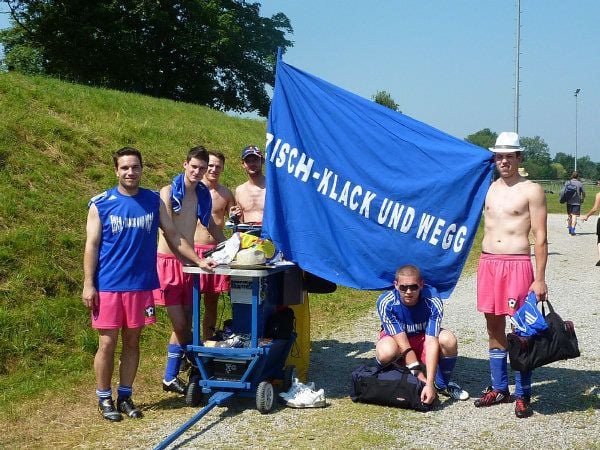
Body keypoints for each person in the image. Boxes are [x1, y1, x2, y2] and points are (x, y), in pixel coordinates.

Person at [82, 147, 217, 423]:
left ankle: (126, 395)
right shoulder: (101, 203)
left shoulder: (153, 201)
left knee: (132, 343)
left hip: (141, 286)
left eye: (135, 167)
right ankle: (104, 397)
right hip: (108, 285)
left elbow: (175, 236)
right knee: (107, 343)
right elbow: (91, 246)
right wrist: (88, 284)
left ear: (142, 169)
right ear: (116, 171)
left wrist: (199, 261)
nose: (130, 172)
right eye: (125, 168)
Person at [475, 131, 548, 418]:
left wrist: (539, 278)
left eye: (509, 155)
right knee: (493, 328)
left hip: (517, 264)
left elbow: (540, 237)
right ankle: (499, 387)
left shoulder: (532, 190)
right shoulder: (488, 187)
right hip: (489, 262)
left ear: (519, 157)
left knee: (522, 331)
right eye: (499, 156)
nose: (504, 160)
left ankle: (523, 394)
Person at [154, 146, 225, 396]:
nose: (197, 171)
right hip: (170, 262)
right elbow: (171, 234)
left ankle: (172, 375)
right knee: (182, 324)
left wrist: (231, 246)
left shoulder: (202, 194)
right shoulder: (168, 192)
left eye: (202, 168)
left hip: (190, 264)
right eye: (193, 166)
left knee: (187, 320)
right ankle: (198, 361)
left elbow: (212, 226)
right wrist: (197, 259)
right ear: (185, 164)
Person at [375, 264, 469, 407]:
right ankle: (393, 380)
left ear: (421, 284)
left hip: (422, 338)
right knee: (386, 351)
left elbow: (432, 341)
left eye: (413, 287)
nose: (408, 292)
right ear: (395, 285)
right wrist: (421, 379)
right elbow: (403, 344)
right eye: (403, 287)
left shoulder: (433, 300)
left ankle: (441, 384)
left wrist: (429, 384)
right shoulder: (385, 302)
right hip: (399, 342)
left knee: (448, 340)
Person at [194, 151, 236, 339]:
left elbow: (233, 220)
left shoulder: (225, 193)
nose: (213, 169)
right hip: (194, 251)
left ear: (223, 168)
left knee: (212, 303)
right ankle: (187, 346)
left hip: (216, 252)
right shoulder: (192, 191)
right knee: (190, 303)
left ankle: (207, 341)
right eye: (210, 165)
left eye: (218, 166)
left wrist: (235, 213)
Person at [229, 145, 266, 225]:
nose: (252, 163)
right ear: (243, 164)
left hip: (268, 234)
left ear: (262, 161)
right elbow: (240, 221)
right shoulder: (240, 190)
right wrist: (235, 216)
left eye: (255, 159)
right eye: (248, 161)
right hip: (247, 234)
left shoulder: (272, 187)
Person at [581, 179, 600, 266]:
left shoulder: (599, 195)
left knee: (599, 240)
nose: (598, 184)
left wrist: (587, 216)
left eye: (599, 183)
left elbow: (595, 208)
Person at [563, 171, 585, 235]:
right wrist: (582, 198)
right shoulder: (580, 183)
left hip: (569, 202)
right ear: (578, 176)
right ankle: (573, 230)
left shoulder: (568, 182)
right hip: (577, 202)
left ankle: (569, 229)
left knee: (570, 216)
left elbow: (564, 191)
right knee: (574, 216)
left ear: (572, 176)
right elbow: (583, 192)